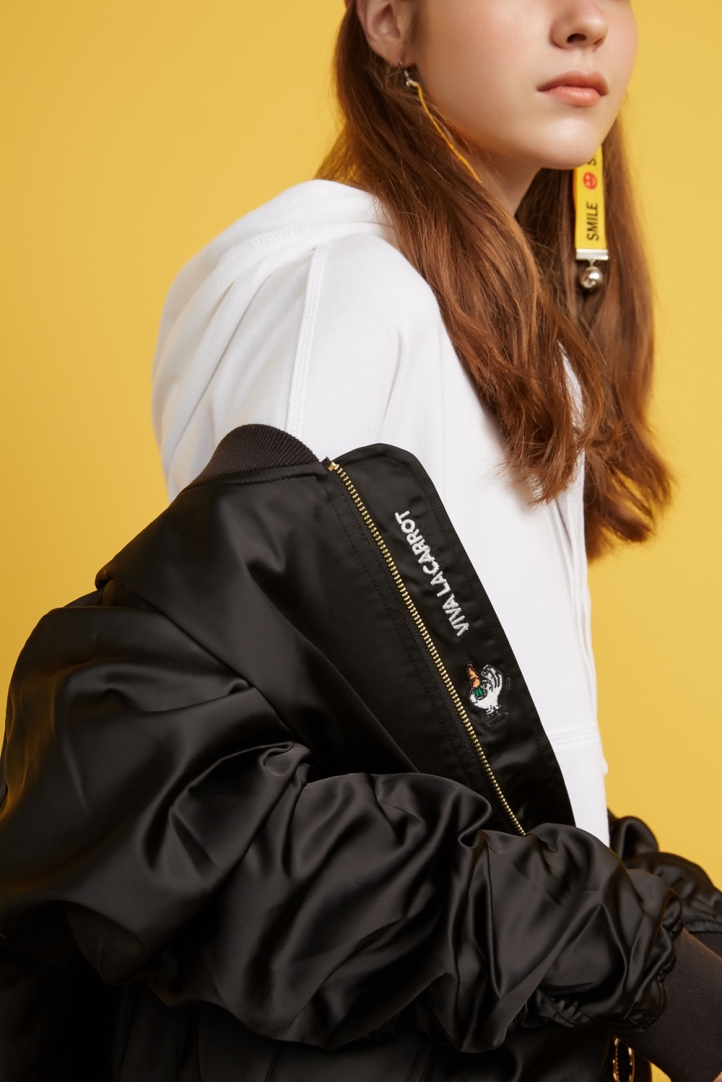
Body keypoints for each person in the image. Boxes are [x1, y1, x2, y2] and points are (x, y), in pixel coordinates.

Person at [2, 1, 722, 1080]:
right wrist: (623, 949)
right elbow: (173, 797)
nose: (583, 22)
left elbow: (444, 754)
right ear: (388, 18)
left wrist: (662, 916)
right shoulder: (345, 293)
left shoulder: (491, 323)